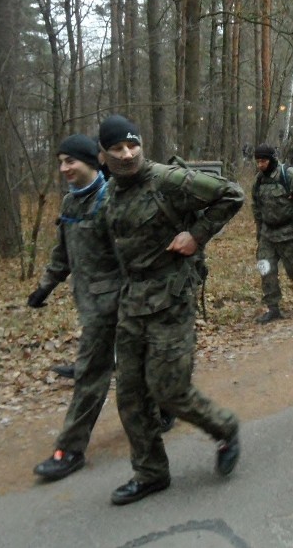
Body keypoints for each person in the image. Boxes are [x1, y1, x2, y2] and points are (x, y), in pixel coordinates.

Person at [97, 114, 244, 505]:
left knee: (169, 390)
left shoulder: (168, 180)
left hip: (171, 300)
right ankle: (151, 473)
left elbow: (232, 195)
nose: (127, 154)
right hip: (132, 305)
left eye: (133, 145)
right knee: (130, 394)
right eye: (117, 149)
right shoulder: (109, 193)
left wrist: (196, 236)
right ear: (103, 154)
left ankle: (225, 428)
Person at [28, 134, 122, 482]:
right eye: (61, 161)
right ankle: (162, 408)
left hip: (116, 305)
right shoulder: (70, 203)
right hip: (89, 304)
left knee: (90, 375)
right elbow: (63, 254)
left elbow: (133, 257)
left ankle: (69, 450)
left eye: (71, 161)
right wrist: (45, 287)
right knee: (131, 364)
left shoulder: (112, 201)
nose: (65, 168)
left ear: (94, 161)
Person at [251, 143, 293, 323]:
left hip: (289, 233)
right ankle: (273, 307)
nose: (260, 165)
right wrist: (259, 230)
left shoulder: (289, 175)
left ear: (272, 159)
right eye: (258, 161)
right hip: (268, 233)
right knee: (266, 269)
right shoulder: (259, 181)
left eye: (263, 161)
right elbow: (256, 206)